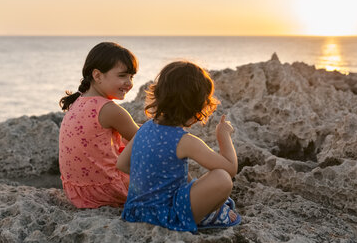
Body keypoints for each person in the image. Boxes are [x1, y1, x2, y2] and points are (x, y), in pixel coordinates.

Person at [117, 61, 241, 232]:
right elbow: (230, 168)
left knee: (184, 176)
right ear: (197, 107)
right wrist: (223, 135)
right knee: (222, 179)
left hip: (135, 212)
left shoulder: (145, 128)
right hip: (166, 216)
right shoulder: (185, 141)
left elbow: (121, 164)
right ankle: (206, 216)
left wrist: (152, 183)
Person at [58, 42, 139, 208]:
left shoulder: (79, 101)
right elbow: (147, 141)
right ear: (97, 75)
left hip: (77, 191)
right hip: (108, 190)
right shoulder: (109, 109)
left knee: (125, 140)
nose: (129, 83)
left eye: (131, 77)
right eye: (122, 76)